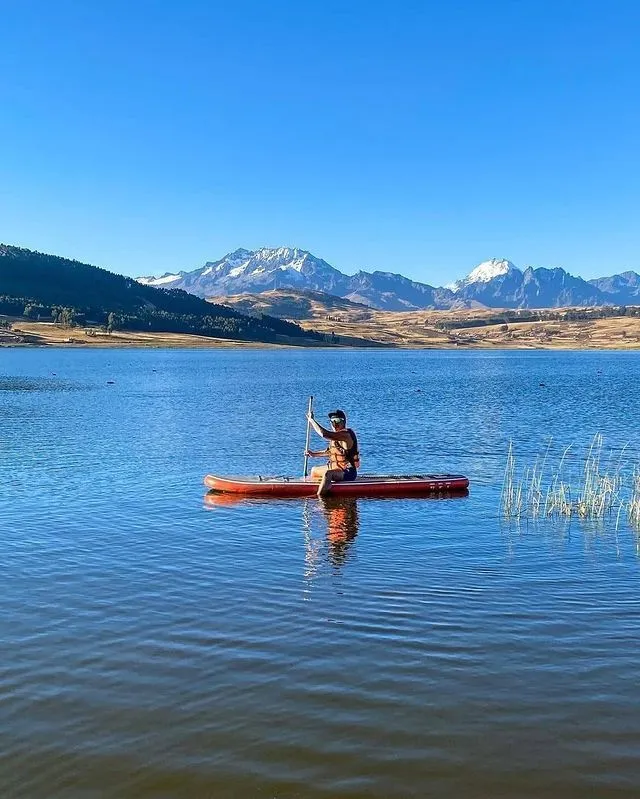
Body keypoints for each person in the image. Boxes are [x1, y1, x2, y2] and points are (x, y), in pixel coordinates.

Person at [305, 408, 360, 496]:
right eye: (332, 421)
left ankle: (320, 497)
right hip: (336, 467)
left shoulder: (346, 435)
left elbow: (324, 434)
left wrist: (311, 420)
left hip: (348, 472)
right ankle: (321, 485)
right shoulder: (336, 437)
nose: (334, 424)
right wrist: (313, 454)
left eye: (337, 421)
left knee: (328, 474)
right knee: (313, 470)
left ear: (344, 422)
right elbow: (330, 452)